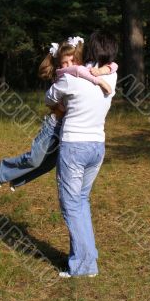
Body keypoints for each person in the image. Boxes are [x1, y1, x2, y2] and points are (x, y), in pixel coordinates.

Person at [0, 35, 118, 191]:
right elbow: (75, 71)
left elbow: (113, 65)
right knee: (35, 159)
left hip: (69, 130)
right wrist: (98, 79)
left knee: (49, 164)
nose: (68, 65)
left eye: (72, 61)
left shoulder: (86, 70)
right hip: (54, 125)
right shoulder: (66, 75)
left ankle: (17, 180)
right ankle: (3, 170)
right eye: (64, 63)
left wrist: (100, 71)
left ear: (80, 58)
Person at [45, 30, 118, 278]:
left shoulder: (71, 78)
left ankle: (83, 265)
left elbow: (49, 97)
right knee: (81, 201)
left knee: (71, 205)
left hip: (74, 146)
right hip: (97, 146)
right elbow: (109, 67)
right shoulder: (113, 75)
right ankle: (87, 261)